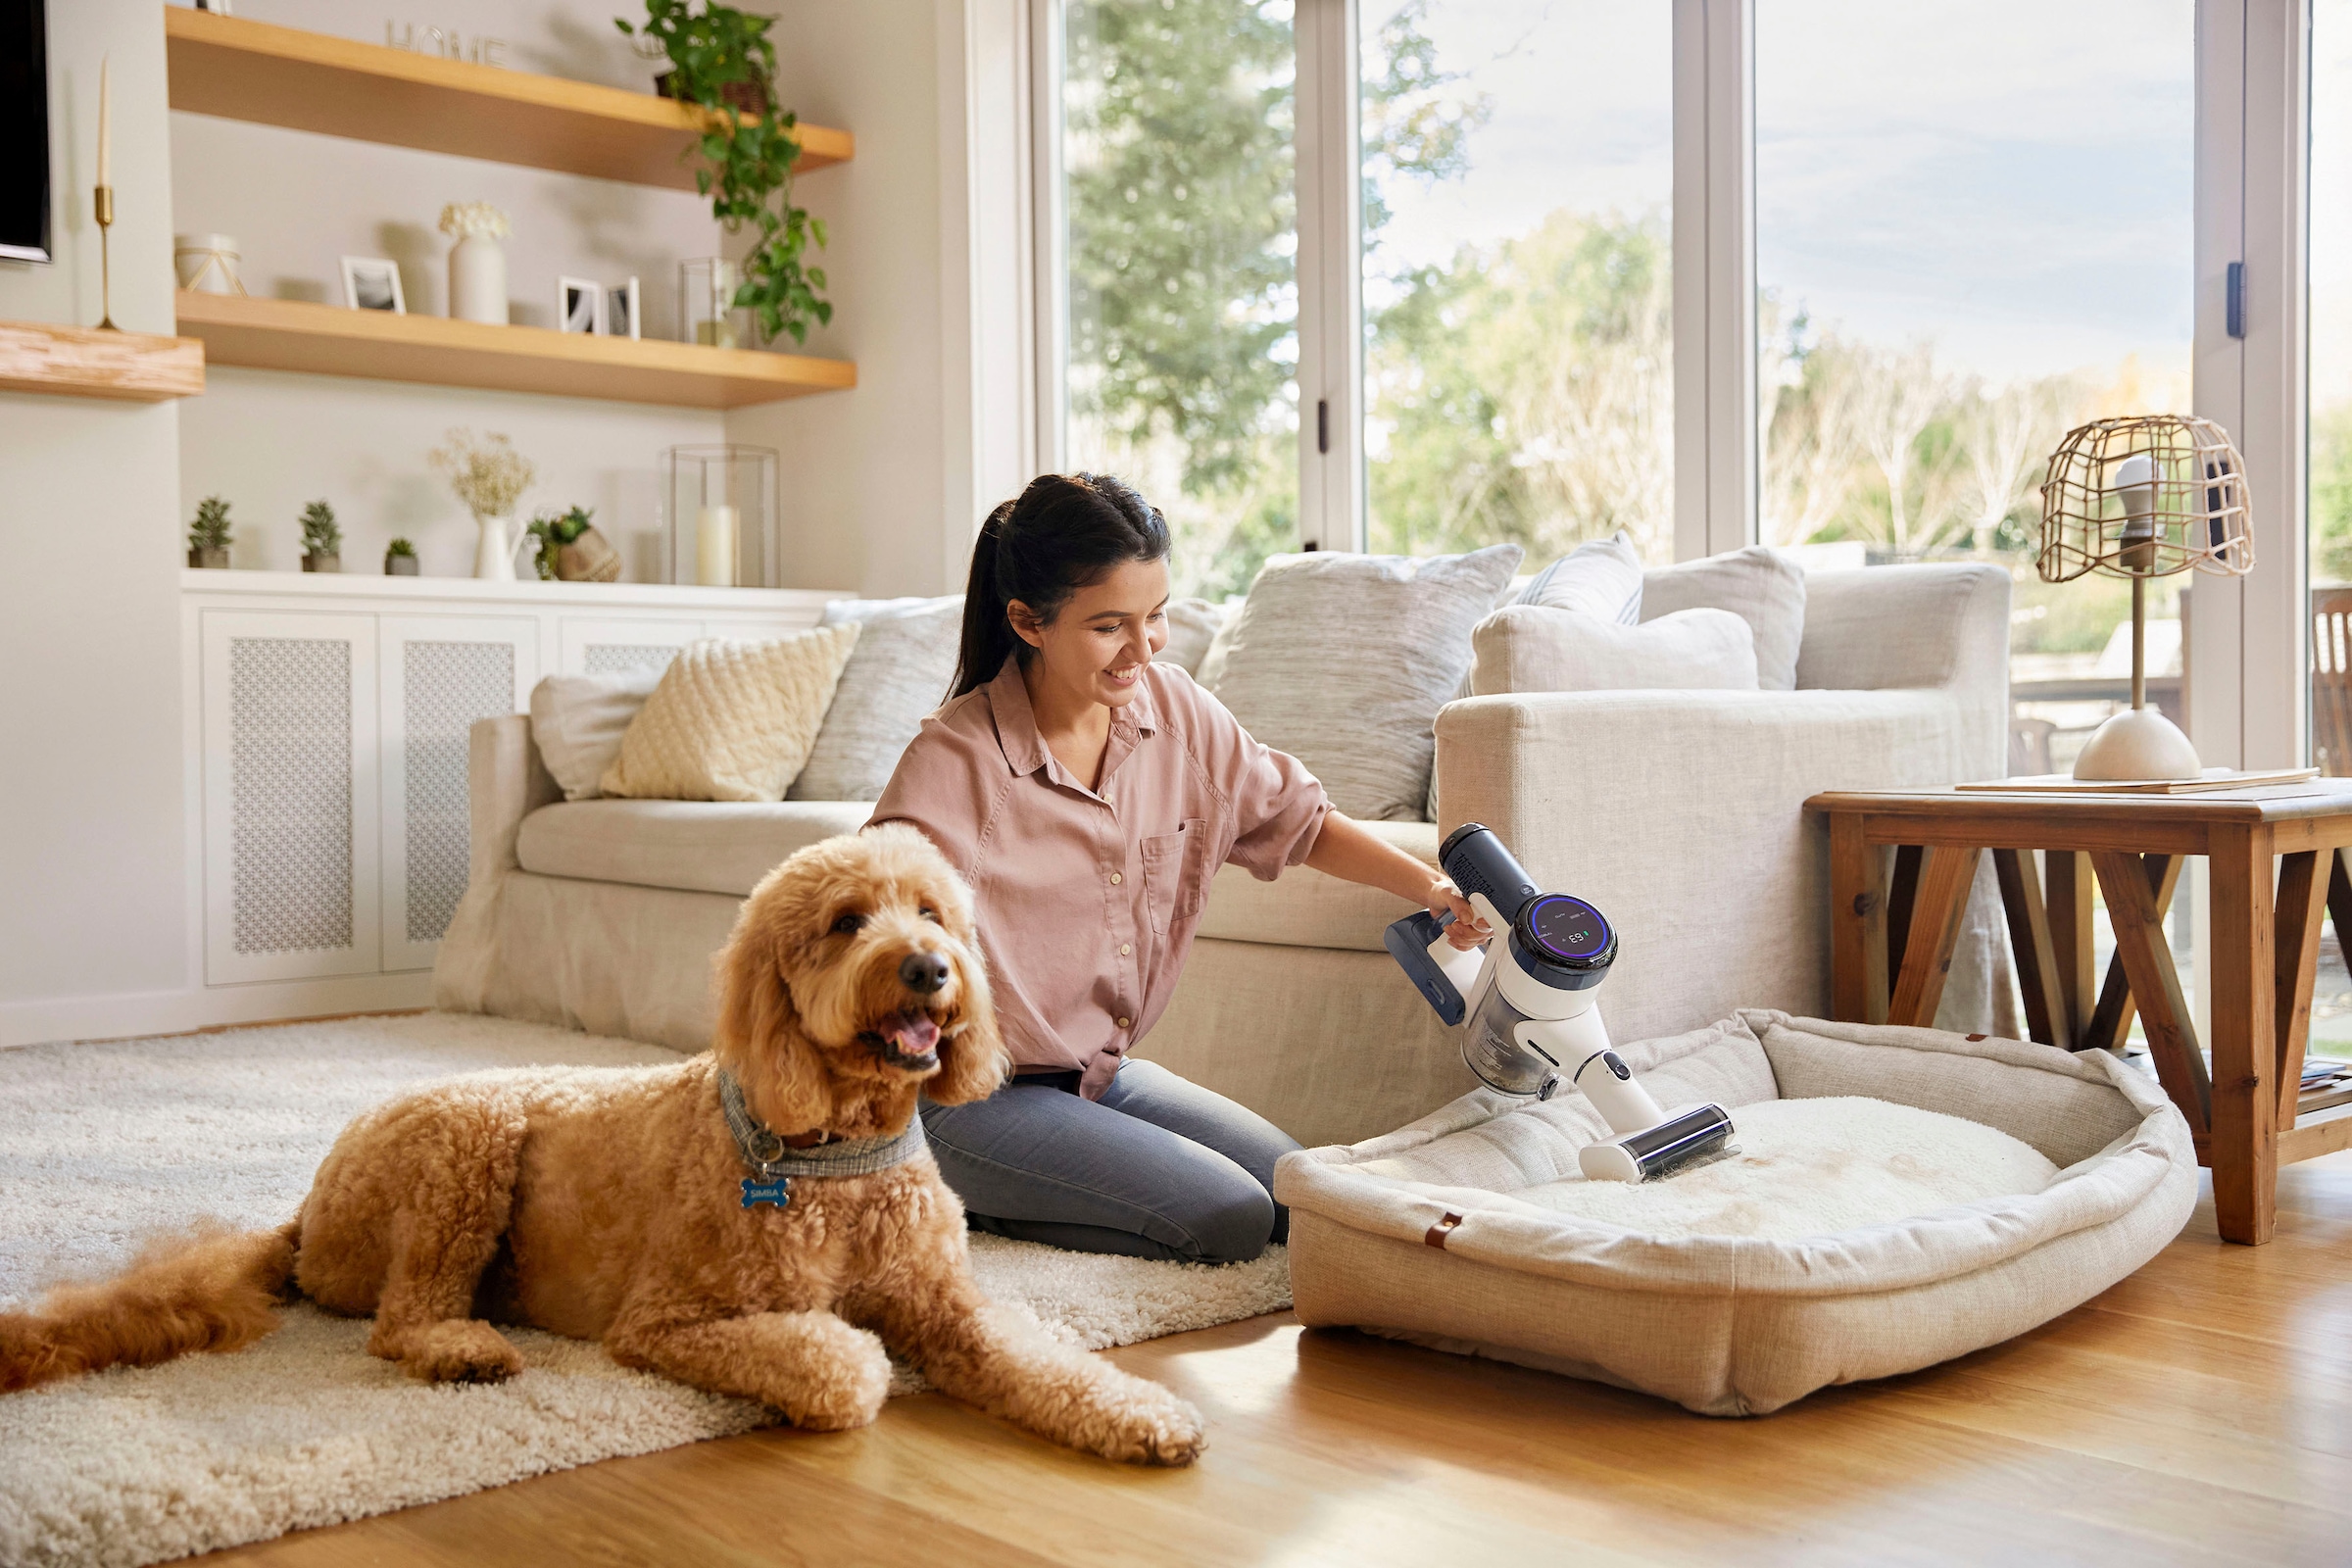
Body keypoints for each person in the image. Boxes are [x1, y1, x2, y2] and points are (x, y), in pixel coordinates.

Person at [870, 472, 1483, 1264]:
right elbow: (859, 932)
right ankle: (960, 1204)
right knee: (1224, 1216)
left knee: (1301, 1191)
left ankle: (1048, 1177)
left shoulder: (1177, 712)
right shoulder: (955, 762)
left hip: (1096, 1076)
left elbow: (1301, 821)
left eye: (1155, 616)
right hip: (961, 1096)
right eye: (1109, 626)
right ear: (1028, 621)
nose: (1143, 648)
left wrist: (1433, 887)